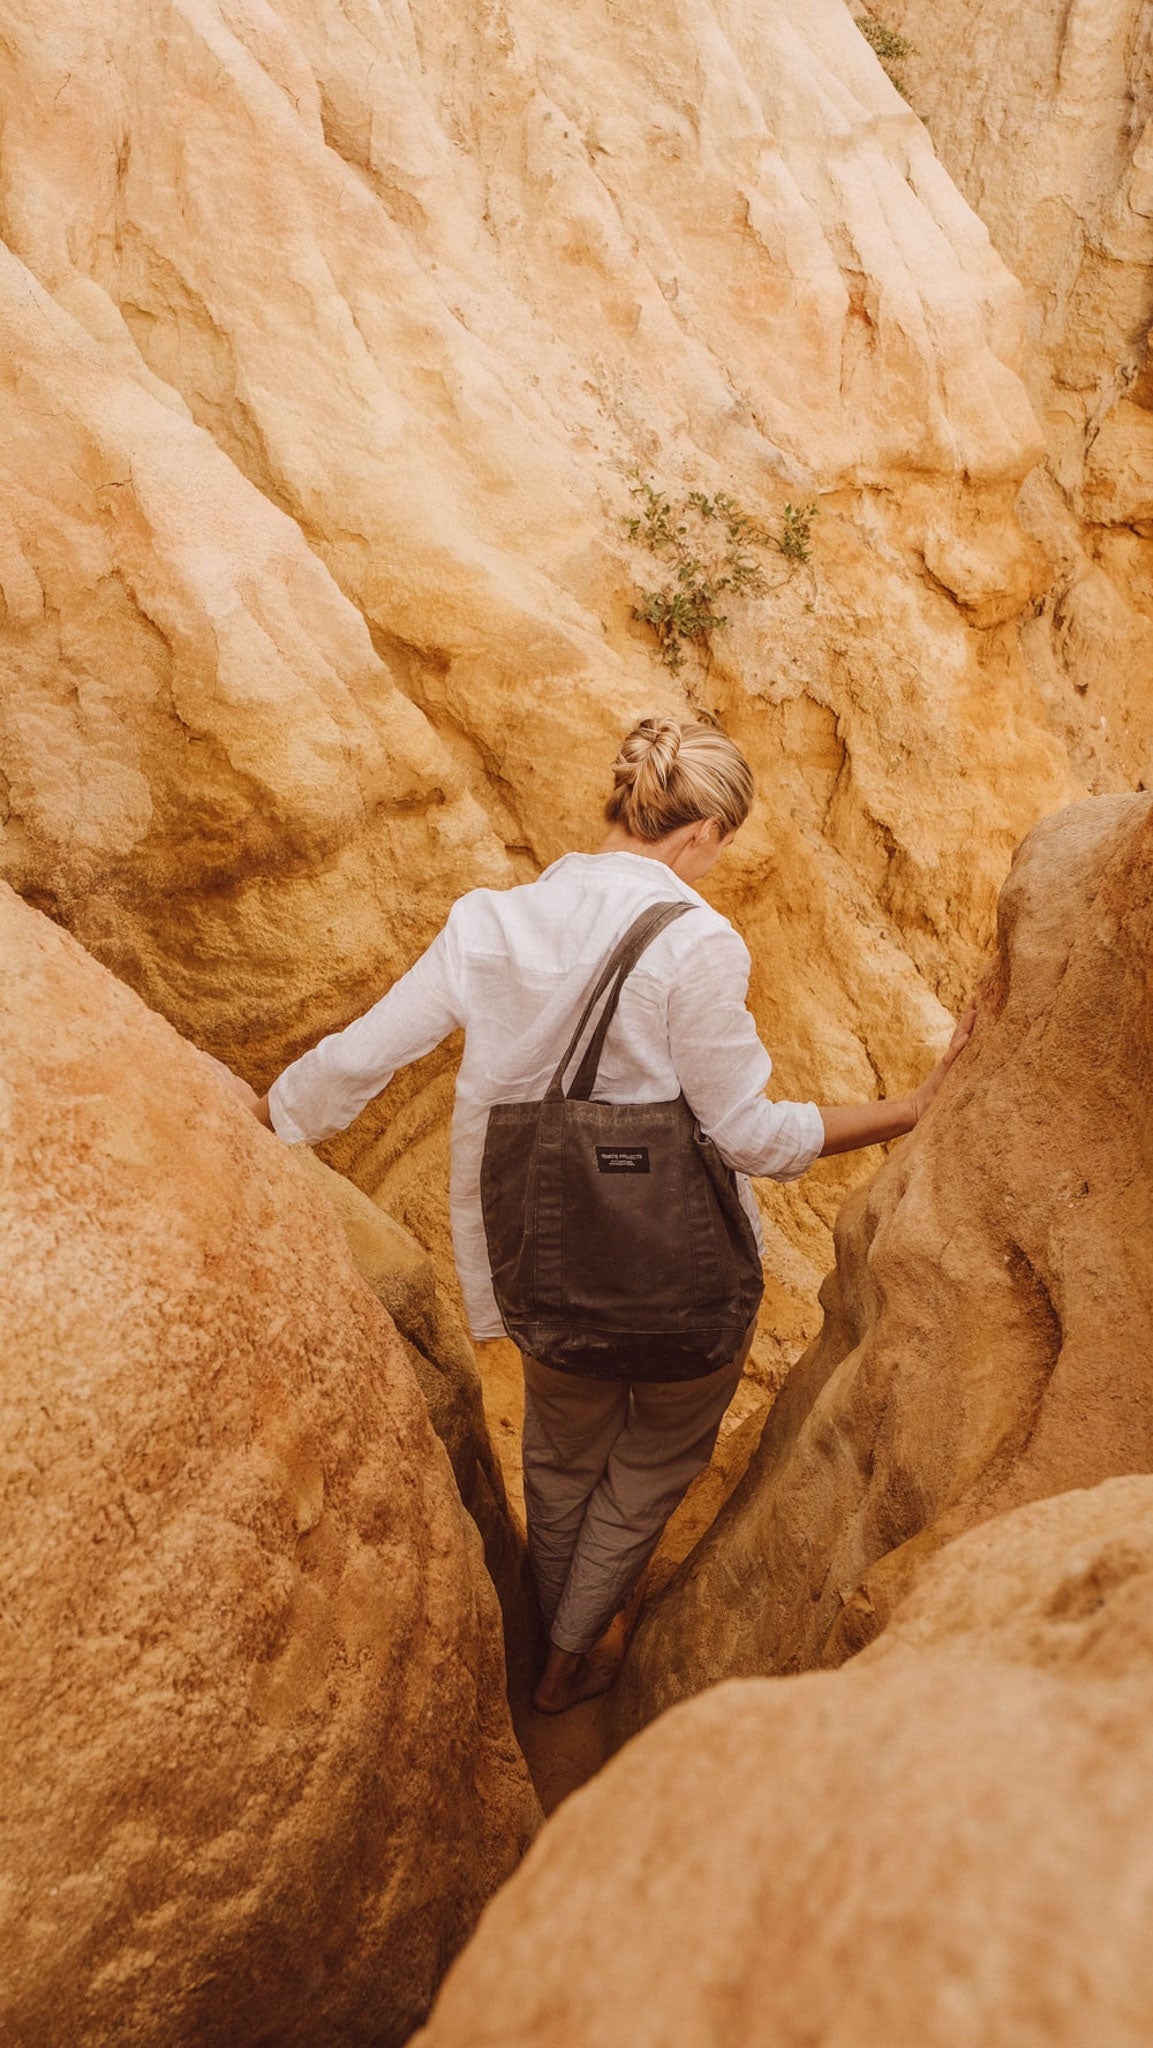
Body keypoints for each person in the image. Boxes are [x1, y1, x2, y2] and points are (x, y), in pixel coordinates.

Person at [238, 717, 974, 1715]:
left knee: (557, 1450)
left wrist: (275, 1113)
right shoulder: (696, 941)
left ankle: (549, 1627)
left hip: (540, 1259)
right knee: (654, 1457)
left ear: (622, 804)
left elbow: (367, 1053)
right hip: (682, 1277)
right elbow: (752, 1134)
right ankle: (570, 1652)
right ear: (704, 829)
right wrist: (910, 1109)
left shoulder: (488, 922)